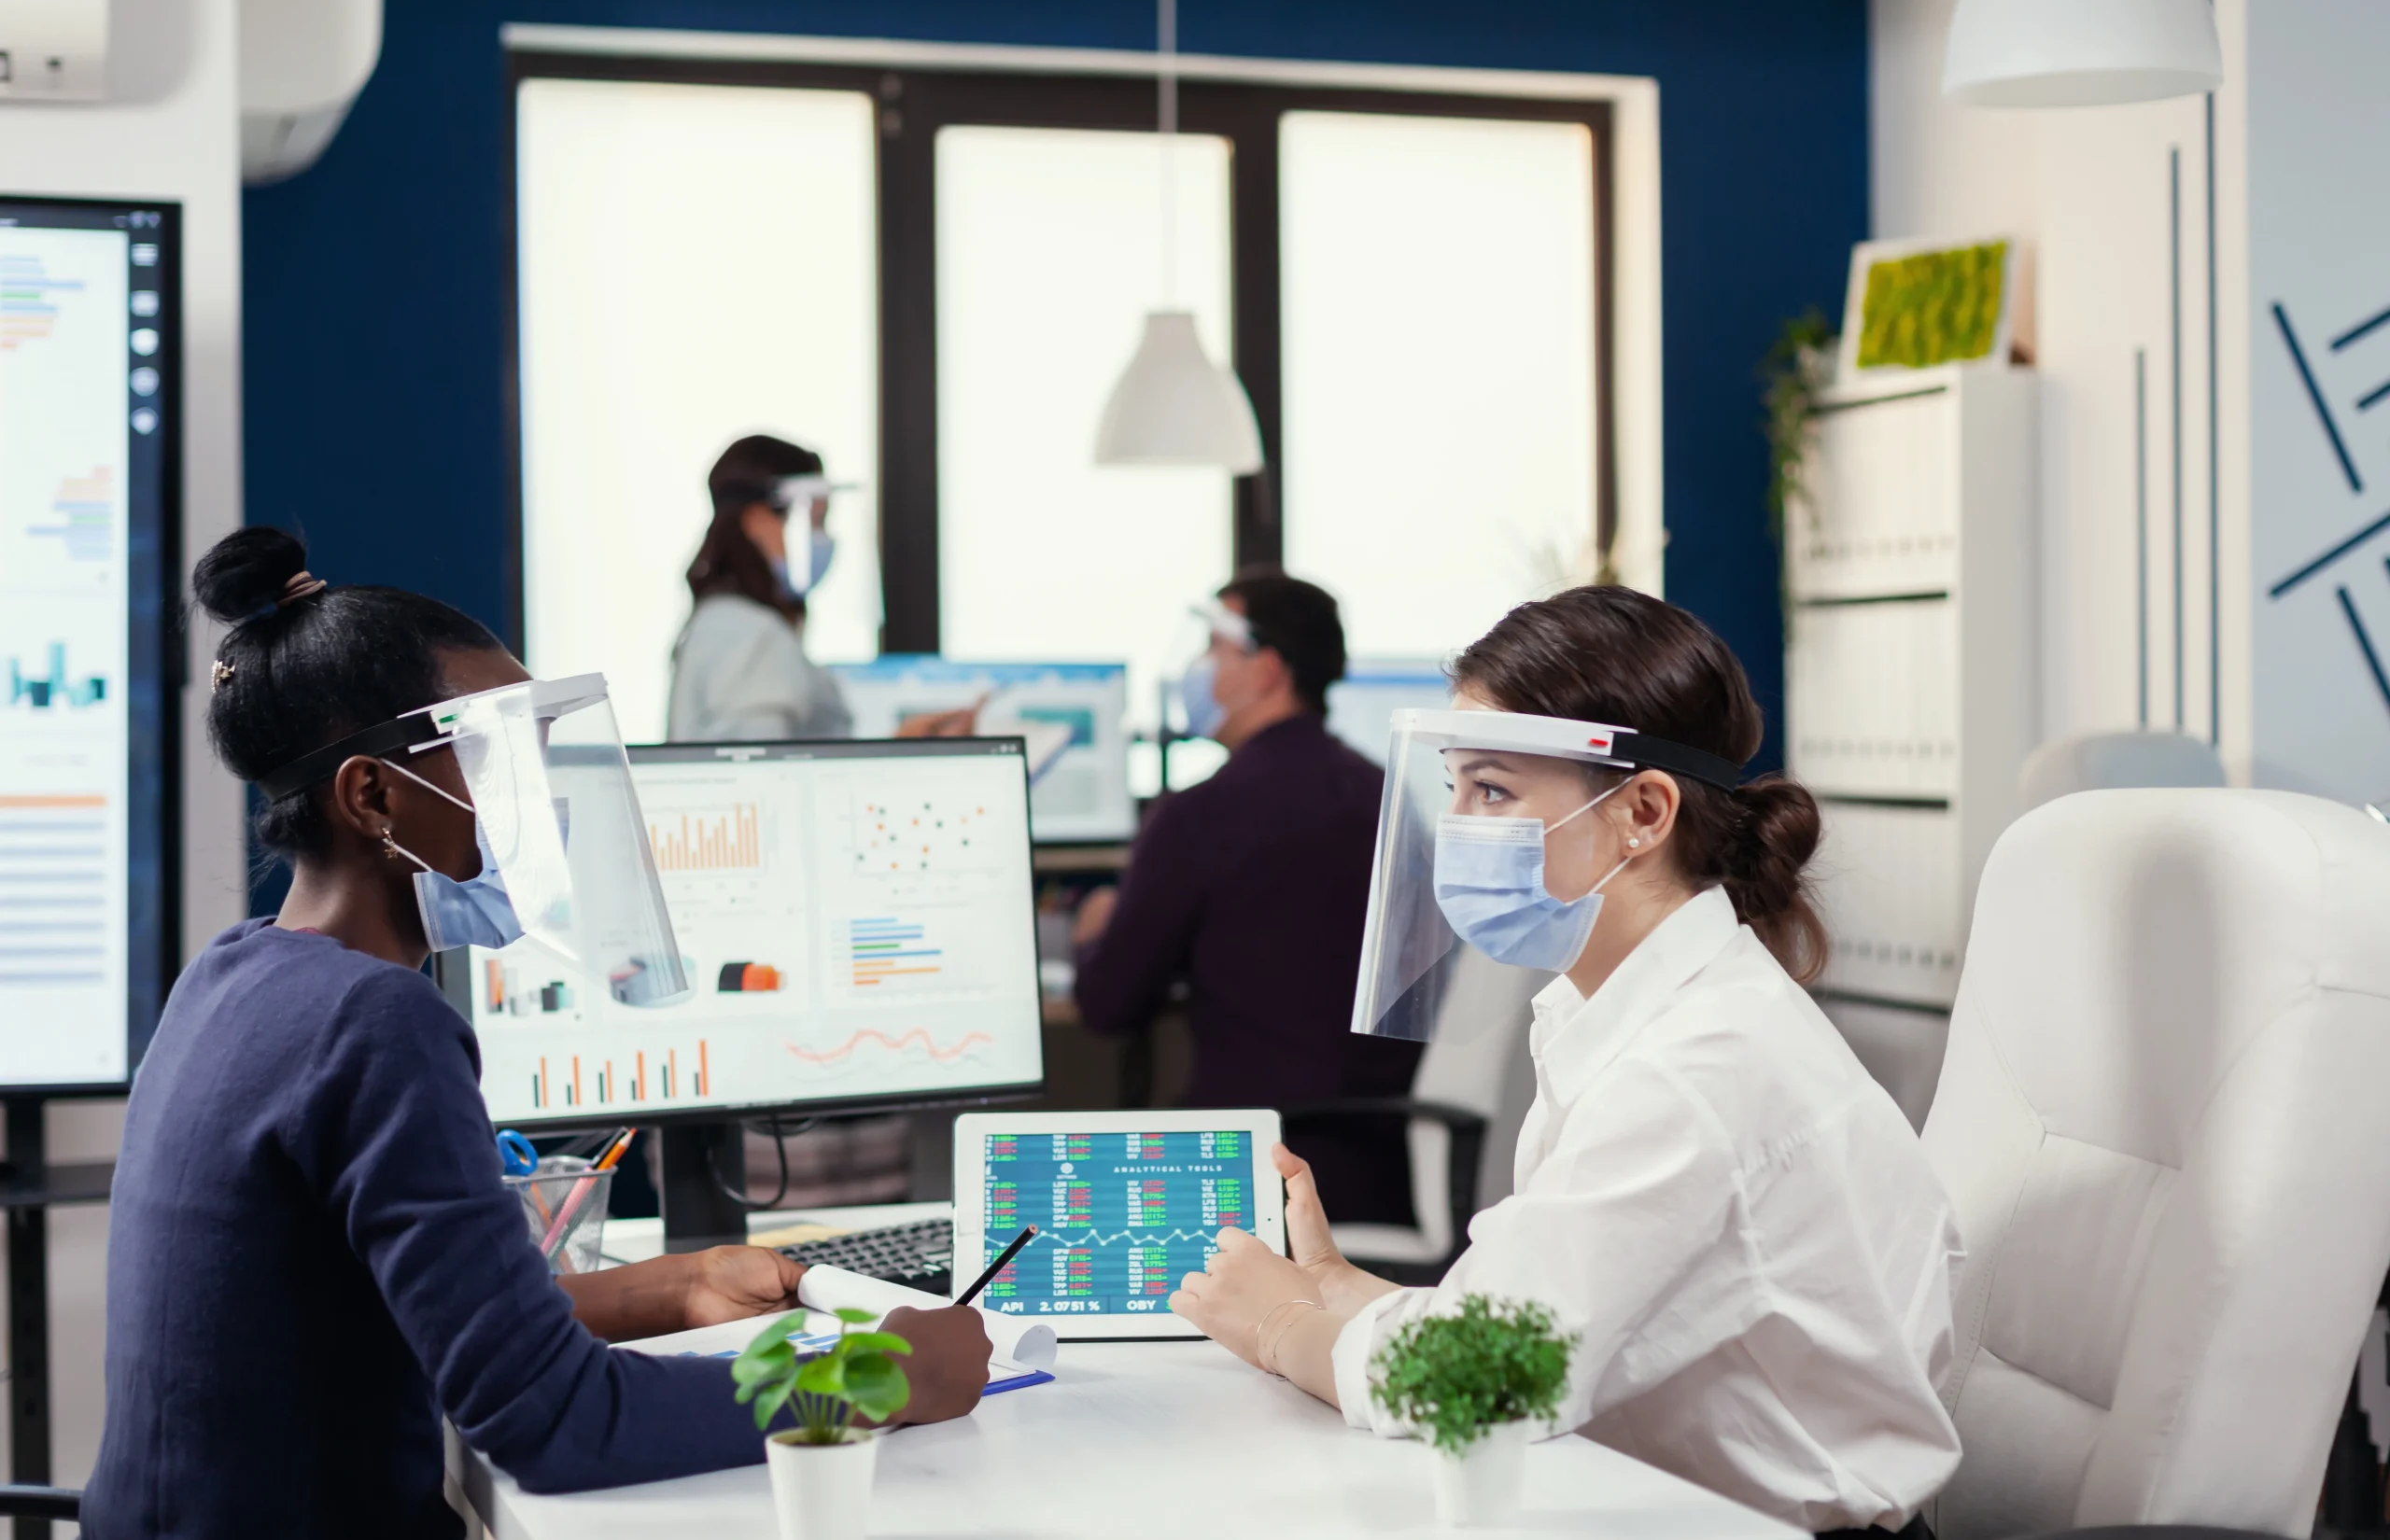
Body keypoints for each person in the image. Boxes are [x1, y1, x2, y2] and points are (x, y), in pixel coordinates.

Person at [83, 527, 991, 1540]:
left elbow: (434, 1317)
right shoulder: (376, 1024)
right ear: (372, 795)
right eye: (502, 759)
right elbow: (553, 1421)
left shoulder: (229, 976)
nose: (544, 804)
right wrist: (880, 1380)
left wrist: (682, 1280)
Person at [1167, 585, 1961, 1537]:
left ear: (1643, 811)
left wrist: (1282, 1329)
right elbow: (1558, 1312)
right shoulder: (1629, 1012)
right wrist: (1338, 1286)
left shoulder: (1700, 1067)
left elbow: (1484, 1380)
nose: (1458, 824)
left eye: (1493, 790)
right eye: (1454, 787)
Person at [1072, 568, 1423, 1223]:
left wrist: (1093, 928)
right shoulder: (1388, 797)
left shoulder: (1201, 813)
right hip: (1382, 1169)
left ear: (1266, 669)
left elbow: (1109, 1003)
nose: (1198, 668)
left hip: (1251, 1177)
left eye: (1214, 647)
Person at [667, 433, 853, 742]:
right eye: (816, 520)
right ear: (757, 520)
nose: (822, 538)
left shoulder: (730, 621)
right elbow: (757, 766)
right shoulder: (751, 633)